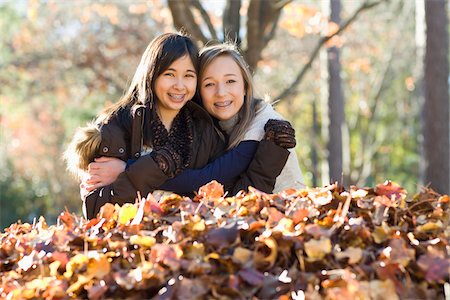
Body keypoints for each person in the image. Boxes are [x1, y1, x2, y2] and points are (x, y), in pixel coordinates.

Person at [81, 42, 304, 205]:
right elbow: (95, 204)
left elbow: (213, 188)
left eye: (230, 81)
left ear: (246, 86)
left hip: (287, 212)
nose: (221, 92)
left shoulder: (263, 125)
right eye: (209, 84)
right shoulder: (118, 125)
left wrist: (129, 169)